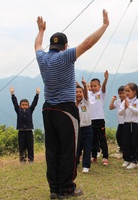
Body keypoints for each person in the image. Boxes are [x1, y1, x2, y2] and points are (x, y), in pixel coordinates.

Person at [34, 9, 109, 199]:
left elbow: (37, 45)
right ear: (66, 46)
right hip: (65, 109)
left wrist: (41, 31)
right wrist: (105, 26)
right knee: (68, 151)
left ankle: (54, 189)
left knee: (53, 150)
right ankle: (66, 189)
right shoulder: (65, 57)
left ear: (51, 45)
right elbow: (88, 43)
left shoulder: (42, 58)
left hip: (47, 109)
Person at [10, 86, 39, 163]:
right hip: (21, 131)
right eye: (23, 105)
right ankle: (22, 160)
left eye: (26, 105)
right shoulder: (18, 110)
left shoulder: (30, 110)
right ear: (20, 106)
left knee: (30, 146)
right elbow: (15, 103)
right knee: (22, 147)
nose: (24, 106)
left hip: (29, 131)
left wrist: (37, 94)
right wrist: (12, 94)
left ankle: (31, 160)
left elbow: (34, 103)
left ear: (28, 106)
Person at [118, 83, 138, 169]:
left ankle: (134, 160)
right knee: (126, 142)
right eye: (125, 91)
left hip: (134, 124)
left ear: (134, 92)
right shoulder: (124, 101)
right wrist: (125, 107)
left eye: (128, 91)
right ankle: (127, 159)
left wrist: (129, 107)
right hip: (126, 124)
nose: (126, 93)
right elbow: (120, 113)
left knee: (134, 143)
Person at [89, 70, 109, 166]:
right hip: (90, 119)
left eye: (95, 86)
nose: (93, 88)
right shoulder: (89, 94)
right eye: (91, 86)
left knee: (102, 138)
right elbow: (80, 88)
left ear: (99, 86)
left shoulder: (101, 93)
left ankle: (105, 156)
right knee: (93, 139)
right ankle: (94, 156)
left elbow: (104, 87)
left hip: (99, 119)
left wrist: (105, 79)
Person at [76, 77, 93, 173]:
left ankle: (86, 166)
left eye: (80, 92)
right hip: (77, 128)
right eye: (76, 92)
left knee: (87, 147)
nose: (78, 94)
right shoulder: (72, 104)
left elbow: (86, 94)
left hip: (87, 128)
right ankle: (76, 162)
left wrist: (84, 86)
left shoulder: (85, 102)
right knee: (77, 147)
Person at [109, 86, 126, 153]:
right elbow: (111, 107)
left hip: (126, 122)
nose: (121, 95)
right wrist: (113, 100)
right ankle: (121, 148)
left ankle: (125, 149)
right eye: (120, 93)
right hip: (120, 122)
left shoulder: (127, 101)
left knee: (125, 137)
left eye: (123, 93)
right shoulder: (118, 101)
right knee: (118, 136)